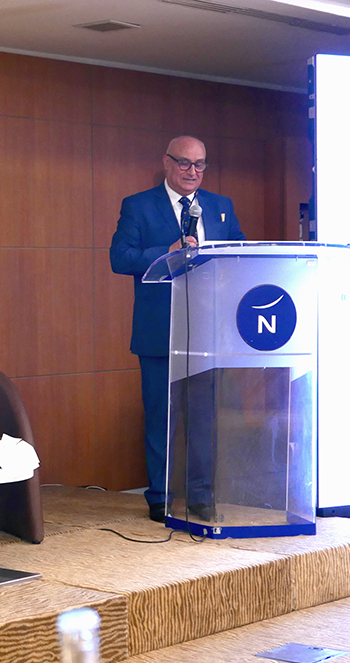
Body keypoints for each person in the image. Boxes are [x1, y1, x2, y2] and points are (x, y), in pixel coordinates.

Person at [109, 136, 246, 523]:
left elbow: (239, 251)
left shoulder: (220, 206)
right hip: (160, 331)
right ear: (166, 163)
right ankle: (161, 495)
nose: (192, 172)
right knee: (161, 417)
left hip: (208, 331)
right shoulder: (138, 206)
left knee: (204, 419)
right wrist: (165, 253)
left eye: (200, 164)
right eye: (184, 163)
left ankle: (201, 495)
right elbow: (120, 258)